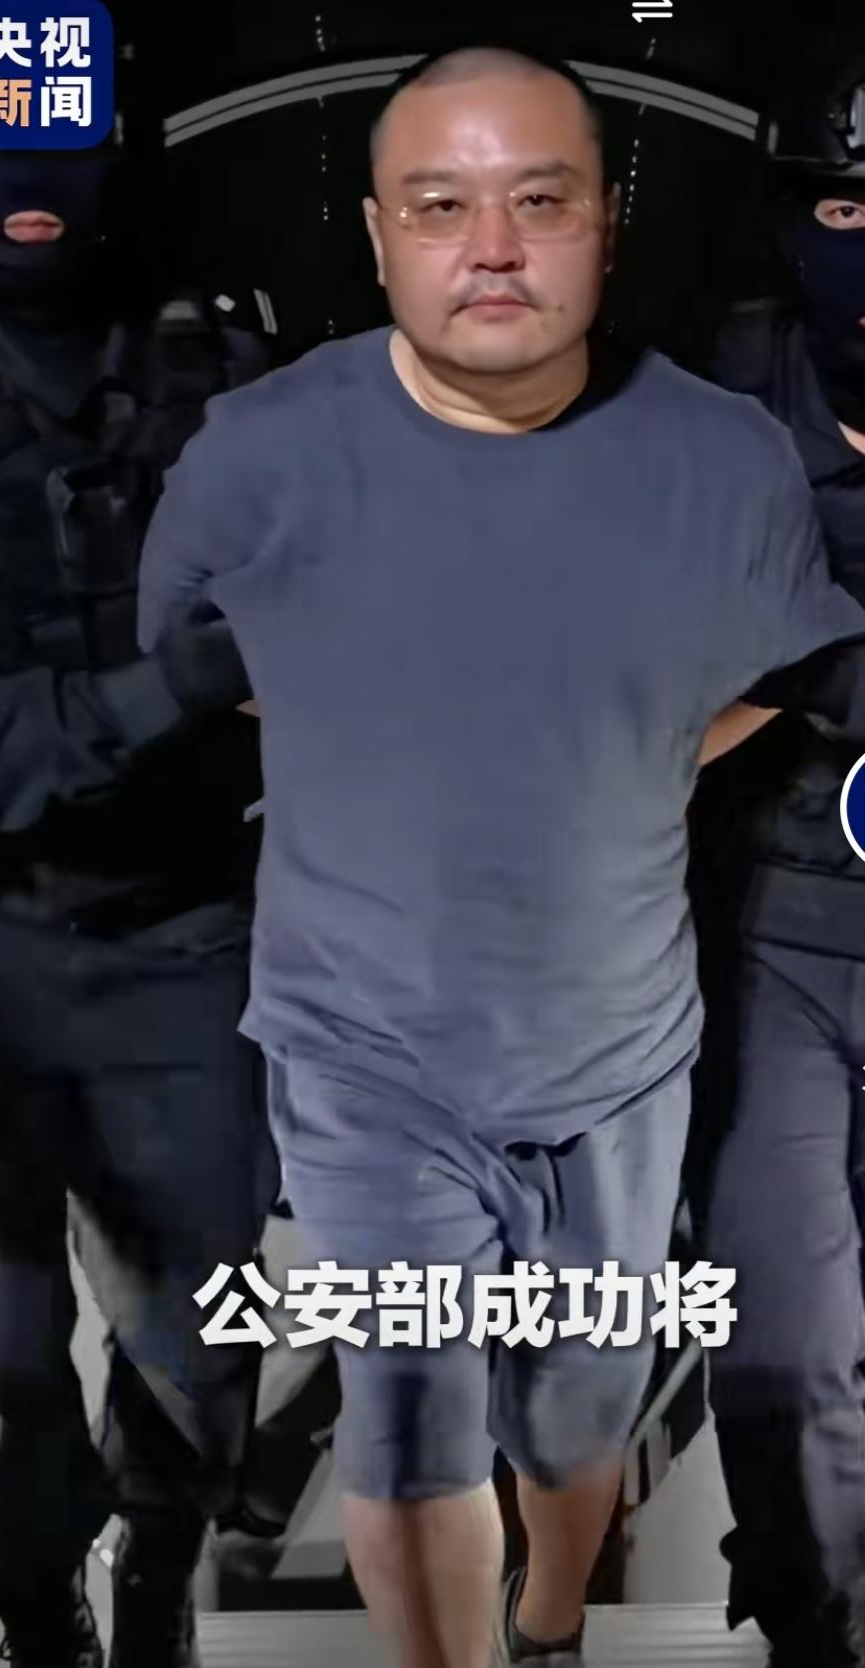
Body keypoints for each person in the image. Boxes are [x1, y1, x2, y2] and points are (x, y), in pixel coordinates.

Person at [138, 44, 865, 1668]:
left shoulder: (723, 459)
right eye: (439, 206)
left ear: (604, 222)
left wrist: (597, 750)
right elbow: (195, 674)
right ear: (378, 234)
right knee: (409, 1418)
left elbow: (773, 663)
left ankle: (549, 1621)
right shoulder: (258, 456)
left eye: (538, 203)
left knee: (575, 1415)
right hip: (362, 1041)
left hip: (618, 1047)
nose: (491, 249)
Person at [0, 101, 279, 1668]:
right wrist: (162, 691)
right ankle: (35, 1612)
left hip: (190, 933)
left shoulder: (230, 371)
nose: (34, 190)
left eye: (66, 142)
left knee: (199, 1334)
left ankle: (160, 1579)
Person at [691, 59, 865, 1668]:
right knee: (787, 1349)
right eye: (845, 209)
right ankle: (811, 1625)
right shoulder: (715, 406)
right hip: (777, 927)